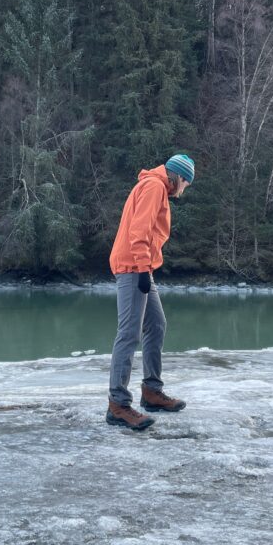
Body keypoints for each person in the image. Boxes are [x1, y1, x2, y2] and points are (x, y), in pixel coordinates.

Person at [105, 154, 195, 431]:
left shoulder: (155, 186)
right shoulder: (154, 187)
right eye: (186, 184)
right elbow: (140, 230)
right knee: (129, 333)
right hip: (134, 266)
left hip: (140, 266)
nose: (184, 189)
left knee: (156, 325)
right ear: (178, 177)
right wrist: (144, 269)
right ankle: (118, 405)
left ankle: (151, 392)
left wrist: (146, 269)